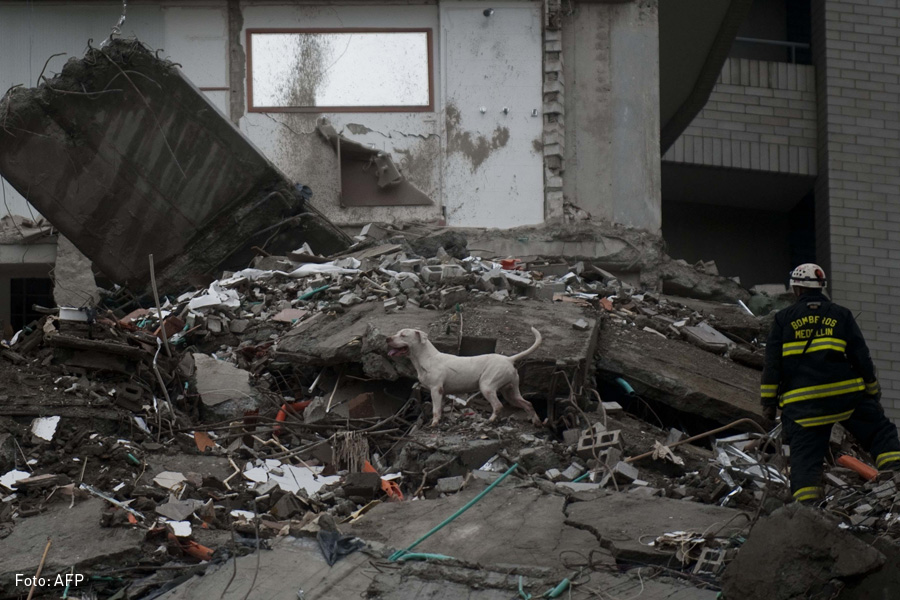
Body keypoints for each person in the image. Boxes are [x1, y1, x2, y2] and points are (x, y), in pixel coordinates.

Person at [761, 263, 900, 504]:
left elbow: (772, 367)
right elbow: (861, 357)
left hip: (803, 406)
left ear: (796, 289)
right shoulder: (841, 314)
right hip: (845, 397)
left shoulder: (783, 319)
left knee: (805, 459)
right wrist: (872, 390)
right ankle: (895, 472)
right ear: (821, 287)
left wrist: (769, 405)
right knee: (879, 431)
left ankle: (808, 508)